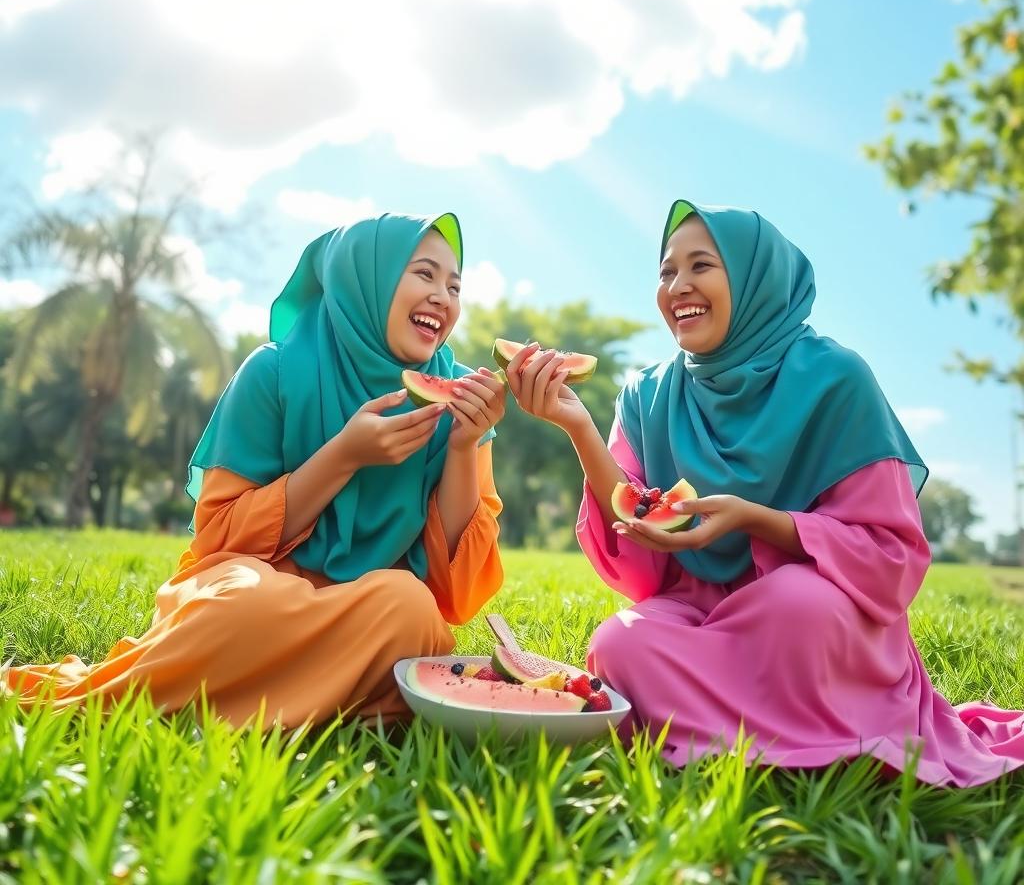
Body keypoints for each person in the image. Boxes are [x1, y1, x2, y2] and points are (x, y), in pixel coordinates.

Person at [505, 198, 1024, 787]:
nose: (678, 285)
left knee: (796, 608)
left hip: (810, 612)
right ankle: (803, 741)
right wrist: (579, 428)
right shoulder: (646, 394)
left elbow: (890, 554)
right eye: (666, 270)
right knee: (618, 645)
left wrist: (756, 520)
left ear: (756, 278)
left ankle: (722, 735)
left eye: (702, 265)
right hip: (698, 611)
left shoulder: (835, 377)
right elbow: (642, 562)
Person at [4, 212, 505, 728]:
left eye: (454, 285)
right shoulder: (273, 369)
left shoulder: (462, 396)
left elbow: (452, 591)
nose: (443, 297)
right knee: (242, 602)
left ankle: (236, 696)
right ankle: (331, 703)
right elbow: (220, 540)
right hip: (260, 594)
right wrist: (343, 456)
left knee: (412, 609)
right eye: (423, 274)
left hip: (371, 611)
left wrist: (466, 444)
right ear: (365, 278)